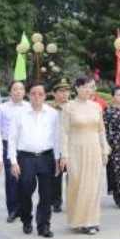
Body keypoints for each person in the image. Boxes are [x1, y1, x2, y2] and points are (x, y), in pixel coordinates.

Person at [8, 81, 60, 238]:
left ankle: (43, 225)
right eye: (33, 93)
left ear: (45, 96)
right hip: (26, 158)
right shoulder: (19, 114)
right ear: (28, 95)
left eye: (40, 93)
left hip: (46, 157)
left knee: (46, 194)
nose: (37, 96)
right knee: (25, 192)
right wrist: (14, 162)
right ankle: (26, 220)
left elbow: (56, 138)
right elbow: (12, 139)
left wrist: (57, 159)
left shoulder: (52, 113)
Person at [60, 76, 110, 235]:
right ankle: (77, 220)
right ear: (77, 88)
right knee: (76, 183)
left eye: (92, 87)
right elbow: (64, 133)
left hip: (94, 148)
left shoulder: (96, 107)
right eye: (86, 87)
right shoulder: (68, 107)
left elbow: (101, 129)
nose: (89, 90)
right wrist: (65, 155)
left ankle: (91, 220)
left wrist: (105, 148)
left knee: (93, 184)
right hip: (75, 149)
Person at [0, 80, 27, 223]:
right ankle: (13, 210)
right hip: (7, 146)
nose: (18, 92)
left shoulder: (29, 107)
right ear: (10, 91)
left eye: (21, 89)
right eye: (15, 89)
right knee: (11, 180)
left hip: (24, 147)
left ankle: (24, 209)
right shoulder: (2, 108)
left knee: (25, 179)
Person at [49, 78, 71, 213]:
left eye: (67, 91)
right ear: (54, 93)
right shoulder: (49, 109)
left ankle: (72, 200)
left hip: (71, 146)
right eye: (61, 91)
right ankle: (56, 202)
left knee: (72, 175)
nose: (65, 94)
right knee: (55, 176)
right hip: (55, 147)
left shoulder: (73, 107)